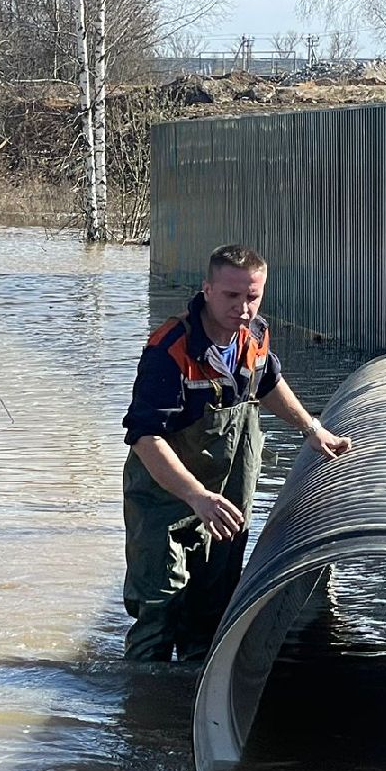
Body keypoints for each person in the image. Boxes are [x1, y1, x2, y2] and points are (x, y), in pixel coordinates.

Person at [121, 243, 351, 663]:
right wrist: (195, 496)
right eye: (232, 296)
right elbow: (145, 437)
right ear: (207, 289)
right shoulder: (170, 350)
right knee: (159, 609)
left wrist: (312, 430)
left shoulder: (255, 335)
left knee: (214, 604)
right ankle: (141, 713)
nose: (243, 308)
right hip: (165, 500)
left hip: (225, 496)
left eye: (252, 296)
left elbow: (266, 384)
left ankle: (193, 700)